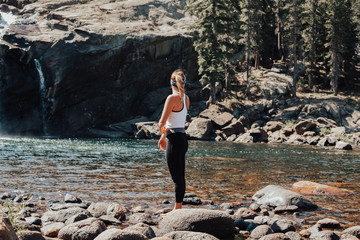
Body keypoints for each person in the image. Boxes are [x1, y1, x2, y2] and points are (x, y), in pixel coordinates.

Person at [158, 69, 190, 210]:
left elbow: (161, 123)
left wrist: (163, 136)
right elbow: (177, 121)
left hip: (174, 138)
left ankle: (176, 211)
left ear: (171, 83)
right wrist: (163, 136)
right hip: (183, 138)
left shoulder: (171, 99)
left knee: (176, 177)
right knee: (180, 176)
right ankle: (178, 208)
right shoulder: (186, 99)